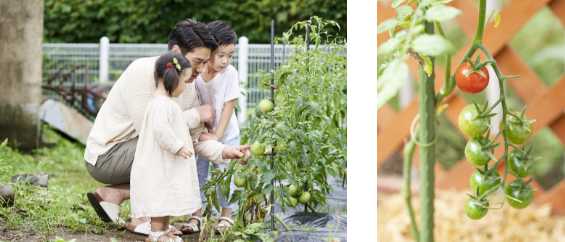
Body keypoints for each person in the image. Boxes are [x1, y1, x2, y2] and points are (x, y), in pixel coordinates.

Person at [83, 19, 251, 237]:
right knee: (171, 148)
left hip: (136, 153)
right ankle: (145, 220)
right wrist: (194, 115)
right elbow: (153, 132)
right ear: (176, 51)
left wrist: (224, 151)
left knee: (181, 149)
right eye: (197, 61)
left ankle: (114, 195)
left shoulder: (188, 84)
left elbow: (196, 138)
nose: (201, 69)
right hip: (107, 156)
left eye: (204, 62)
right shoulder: (142, 71)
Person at [130, 52, 196, 242]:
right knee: (160, 199)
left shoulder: (165, 102)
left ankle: (164, 231)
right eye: (184, 82)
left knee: (166, 198)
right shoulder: (161, 103)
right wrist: (178, 146)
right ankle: (156, 234)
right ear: (173, 79)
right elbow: (161, 129)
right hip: (160, 163)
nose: (184, 88)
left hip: (165, 162)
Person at [181, 20, 240, 234]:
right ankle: (195, 215)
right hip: (201, 134)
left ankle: (226, 216)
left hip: (225, 134)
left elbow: (228, 107)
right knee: (198, 173)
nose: (225, 61)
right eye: (221, 54)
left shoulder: (229, 74)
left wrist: (217, 134)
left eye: (230, 55)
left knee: (224, 174)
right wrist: (204, 130)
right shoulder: (198, 71)